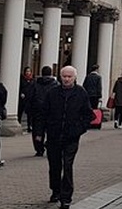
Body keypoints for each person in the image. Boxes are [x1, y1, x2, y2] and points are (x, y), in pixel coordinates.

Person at [39, 66, 94, 208]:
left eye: (69, 77)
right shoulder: (53, 93)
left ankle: (66, 197)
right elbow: (43, 113)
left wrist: (79, 129)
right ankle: (55, 190)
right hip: (54, 135)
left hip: (71, 137)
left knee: (67, 165)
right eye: (64, 76)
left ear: (74, 78)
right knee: (54, 165)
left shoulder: (81, 93)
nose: (67, 79)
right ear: (60, 77)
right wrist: (40, 132)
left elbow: (88, 115)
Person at [27, 66, 59, 156]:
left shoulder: (35, 83)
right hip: (51, 111)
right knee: (51, 130)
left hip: (37, 111)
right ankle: (49, 144)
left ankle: (39, 148)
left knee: (37, 130)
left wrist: (29, 109)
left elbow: (30, 96)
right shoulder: (55, 84)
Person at [18, 66, 34, 132]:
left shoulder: (33, 80)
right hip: (23, 98)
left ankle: (29, 126)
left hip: (30, 99)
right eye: (27, 71)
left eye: (29, 71)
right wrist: (21, 93)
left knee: (30, 114)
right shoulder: (22, 80)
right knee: (20, 111)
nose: (28, 72)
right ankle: (19, 122)